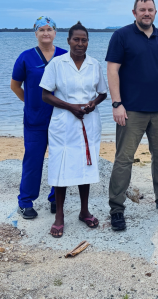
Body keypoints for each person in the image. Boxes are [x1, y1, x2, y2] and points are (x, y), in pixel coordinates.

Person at [106, 0, 158, 231]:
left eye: (150, 9)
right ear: (134, 13)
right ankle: (117, 208)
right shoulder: (121, 36)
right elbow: (112, 71)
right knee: (124, 159)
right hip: (131, 111)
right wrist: (117, 103)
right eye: (142, 10)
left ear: (155, 12)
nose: (146, 13)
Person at [40, 22, 107, 238]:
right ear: (68, 41)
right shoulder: (57, 64)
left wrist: (92, 104)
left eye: (84, 40)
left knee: (85, 166)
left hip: (89, 121)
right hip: (64, 123)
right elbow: (46, 95)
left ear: (88, 42)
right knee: (62, 167)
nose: (80, 43)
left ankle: (84, 211)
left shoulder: (94, 64)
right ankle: (59, 216)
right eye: (76, 39)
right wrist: (71, 107)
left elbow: (103, 92)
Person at [11, 17, 67, 219]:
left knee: (59, 159)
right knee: (33, 161)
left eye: (49, 29)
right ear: (35, 33)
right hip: (35, 120)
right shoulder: (26, 57)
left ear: (55, 33)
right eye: (41, 29)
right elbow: (15, 86)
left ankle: (55, 199)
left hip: (60, 118)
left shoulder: (64, 56)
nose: (46, 33)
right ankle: (25, 202)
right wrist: (30, 103)